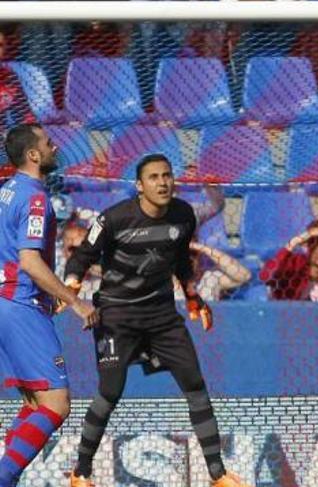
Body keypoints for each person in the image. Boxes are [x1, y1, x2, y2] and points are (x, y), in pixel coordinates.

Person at [64, 154, 249, 487]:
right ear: (139, 186)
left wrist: (192, 296)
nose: (162, 182)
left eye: (167, 175)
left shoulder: (183, 215)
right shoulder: (114, 219)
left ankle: (218, 475)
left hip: (162, 315)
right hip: (117, 316)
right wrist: (72, 287)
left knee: (195, 386)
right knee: (110, 391)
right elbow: (80, 258)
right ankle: (80, 472)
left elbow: (179, 261)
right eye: (153, 177)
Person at [0, 124, 98, 486]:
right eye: (48, 142)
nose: (55, 146)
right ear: (34, 155)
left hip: (9, 303)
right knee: (57, 404)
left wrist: (47, 293)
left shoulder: (6, 191)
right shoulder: (35, 197)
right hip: (21, 303)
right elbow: (29, 261)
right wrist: (75, 301)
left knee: (35, 404)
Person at [258, 220, 318, 302]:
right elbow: (265, 277)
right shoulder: (291, 270)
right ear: (305, 246)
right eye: (315, 242)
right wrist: (294, 242)